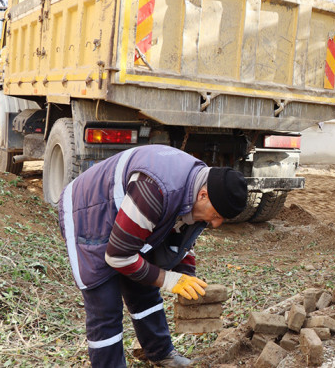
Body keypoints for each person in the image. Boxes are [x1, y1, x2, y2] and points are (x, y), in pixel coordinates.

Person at [58, 145, 247, 368]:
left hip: (131, 214)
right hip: (90, 214)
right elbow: (118, 257)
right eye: (216, 216)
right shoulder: (155, 189)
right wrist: (170, 280)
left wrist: (187, 279)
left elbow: (182, 233)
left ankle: (161, 353)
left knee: (144, 288)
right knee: (105, 307)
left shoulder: (202, 183)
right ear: (203, 195)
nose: (215, 224)